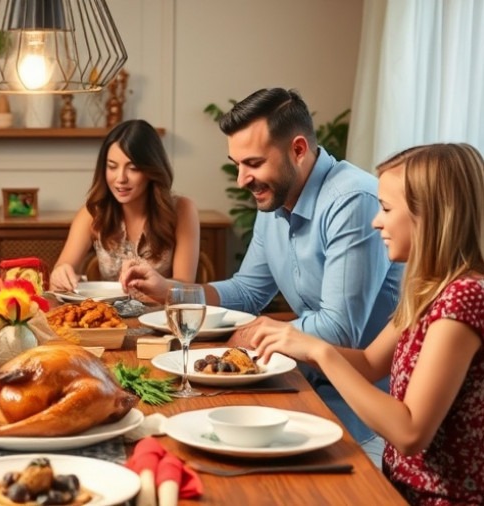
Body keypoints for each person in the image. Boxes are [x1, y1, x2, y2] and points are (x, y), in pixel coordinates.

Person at [121, 88, 404, 460]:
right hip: (300, 385)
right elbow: (247, 291)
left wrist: (252, 335)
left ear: (298, 149)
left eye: (253, 163)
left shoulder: (352, 201)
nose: (241, 179)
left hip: (363, 419)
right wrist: (170, 291)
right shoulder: (276, 198)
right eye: (237, 164)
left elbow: (339, 330)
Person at [252, 143, 484, 505]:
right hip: (397, 487)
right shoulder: (431, 289)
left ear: (432, 214)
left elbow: (410, 433)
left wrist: (322, 352)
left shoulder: (464, 298)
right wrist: (295, 342)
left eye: (386, 209)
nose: (376, 221)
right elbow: (370, 362)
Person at [49, 119, 200, 292]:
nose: (121, 178)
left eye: (133, 168)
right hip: (106, 310)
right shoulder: (92, 213)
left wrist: (160, 286)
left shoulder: (182, 210)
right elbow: (59, 276)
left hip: (161, 309)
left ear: (151, 170)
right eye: (112, 167)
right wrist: (60, 273)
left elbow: (187, 287)